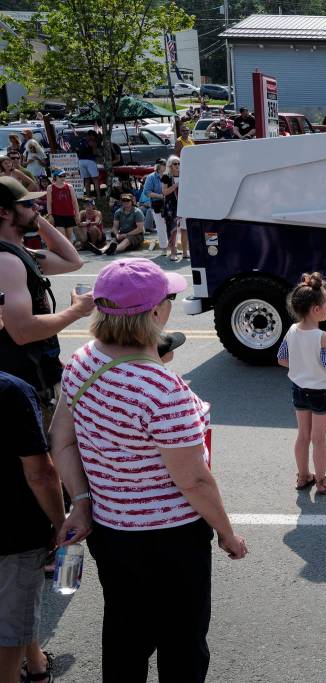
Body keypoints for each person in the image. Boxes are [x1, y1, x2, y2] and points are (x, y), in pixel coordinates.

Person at [50, 257, 248, 682]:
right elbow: (193, 479)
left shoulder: (83, 361)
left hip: (112, 531)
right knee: (182, 645)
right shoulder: (163, 390)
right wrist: (226, 532)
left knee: (125, 634)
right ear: (155, 312)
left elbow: (61, 439)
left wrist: (82, 501)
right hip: (171, 540)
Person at [0, 177, 92, 424]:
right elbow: (22, 331)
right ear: (4, 212)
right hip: (27, 384)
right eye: (28, 205)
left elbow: (73, 260)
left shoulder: (17, 252)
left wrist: (34, 218)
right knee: (44, 461)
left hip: (39, 374)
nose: (37, 208)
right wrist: (76, 311)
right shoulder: (5, 262)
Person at [0, 369, 70, 683]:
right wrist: (59, 521)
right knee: (11, 625)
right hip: (14, 530)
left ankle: (38, 665)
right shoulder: (11, 391)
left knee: (16, 609)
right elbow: (39, 473)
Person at [276, 272, 326, 495]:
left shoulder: (291, 330)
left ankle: (303, 476)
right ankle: (321, 480)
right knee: (319, 439)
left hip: (299, 389)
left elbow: (282, 359)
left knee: (303, 435)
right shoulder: (322, 337)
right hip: (321, 392)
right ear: (316, 309)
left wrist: (302, 367)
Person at [162, 156, 187, 261]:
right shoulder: (166, 177)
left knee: (184, 229)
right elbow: (164, 192)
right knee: (172, 230)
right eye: (175, 164)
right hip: (172, 206)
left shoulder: (185, 175)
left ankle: (185, 252)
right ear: (170, 166)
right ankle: (173, 252)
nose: (177, 166)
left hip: (185, 205)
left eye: (179, 163)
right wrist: (176, 185)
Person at [45, 169, 79, 247]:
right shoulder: (50, 187)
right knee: (62, 237)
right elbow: (49, 203)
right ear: (55, 177)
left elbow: (75, 202)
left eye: (64, 176)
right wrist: (50, 215)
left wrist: (77, 214)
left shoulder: (69, 187)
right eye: (60, 176)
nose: (63, 177)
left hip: (69, 214)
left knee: (69, 237)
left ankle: (70, 255)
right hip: (57, 215)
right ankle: (65, 254)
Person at [140, 159, 168, 255]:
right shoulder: (151, 177)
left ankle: (173, 248)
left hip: (170, 204)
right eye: (163, 164)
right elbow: (146, 192)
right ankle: (164, 249)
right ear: (158, 166)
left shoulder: (169, 176)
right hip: (157, 205)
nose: (165, 166)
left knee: (173, 227)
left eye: (166, 164)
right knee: (161, 227)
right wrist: (161, 196)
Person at [75, 131, 100, 197]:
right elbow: (94, 152)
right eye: (94, 136)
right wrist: (98, 154)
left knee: (86, 180)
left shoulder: (81, 140)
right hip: (90, 160)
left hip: (81, 161)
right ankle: (99, 196)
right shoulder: (92, 141)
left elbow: (77, 149)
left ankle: (88, 196)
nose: (95, 137)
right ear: (91, 135)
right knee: (95, 179)